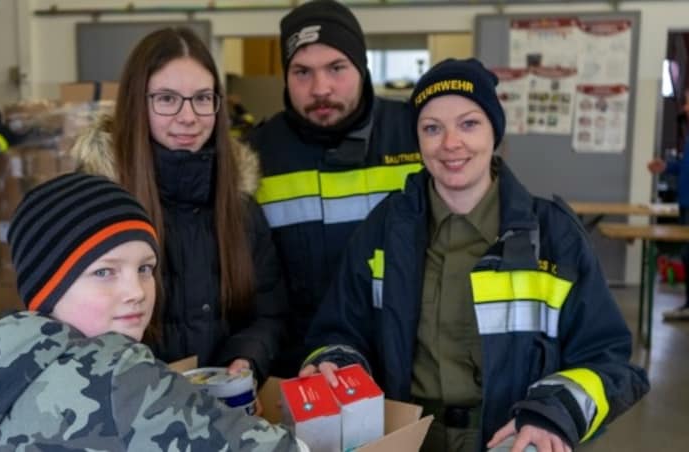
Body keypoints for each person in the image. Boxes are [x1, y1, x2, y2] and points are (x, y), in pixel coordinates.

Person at [301, 58, 650, 452]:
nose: (451, 143)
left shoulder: (555, 236)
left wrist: (554, 414)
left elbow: (608, 359)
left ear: (494, 133)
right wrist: (336, 362)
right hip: (406, 437)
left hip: (513, 439)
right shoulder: (384, 229)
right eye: (432, 128)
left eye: (469, 124)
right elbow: (339, 328)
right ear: (418, 141)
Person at [0, 172, 305, 451]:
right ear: (48, 288)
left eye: (145, 268)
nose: (136, 292)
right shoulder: (116, 374)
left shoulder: (3, 357)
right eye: (104, 272)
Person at [72, 27, 287, 386]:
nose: (189, 117)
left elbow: (268, 313)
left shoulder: (240, 207)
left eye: (203, 98)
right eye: (167, 99)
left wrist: (246, 358)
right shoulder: (94, 206)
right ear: (136, 104)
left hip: (219, 412)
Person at [247, 0, 421, 377]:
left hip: (408, 365)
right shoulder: (255, 156)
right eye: (302, 72)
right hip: (302, 372)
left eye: (336, 68)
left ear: (362, 68)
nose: (320, 88)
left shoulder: (416, 135)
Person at [647, 88, 689, 320]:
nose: (684, 108)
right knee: (686, 255)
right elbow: (685, 166)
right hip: (685, 202)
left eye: (688, 103)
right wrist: (666, 167)